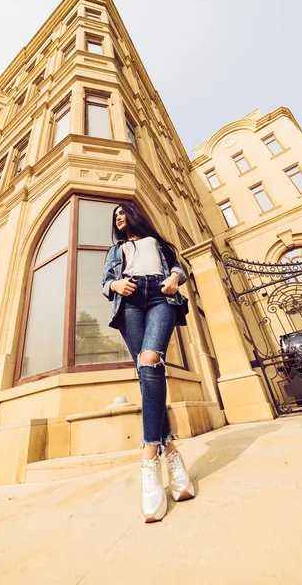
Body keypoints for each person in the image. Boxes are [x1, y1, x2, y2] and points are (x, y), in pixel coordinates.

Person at [102, 201, 194, 523]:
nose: (119, 218)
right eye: (116, 217)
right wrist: (116, 285)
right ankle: (171, 453)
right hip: (129, 302)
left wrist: (175, 278)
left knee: (151, 359)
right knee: (146, 372)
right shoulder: (116, 250)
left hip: (159, 297)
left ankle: (148, 458)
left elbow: (179, 268)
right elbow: (105, 283)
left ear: (134, 214)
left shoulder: (158, 243)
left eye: (122, 212)